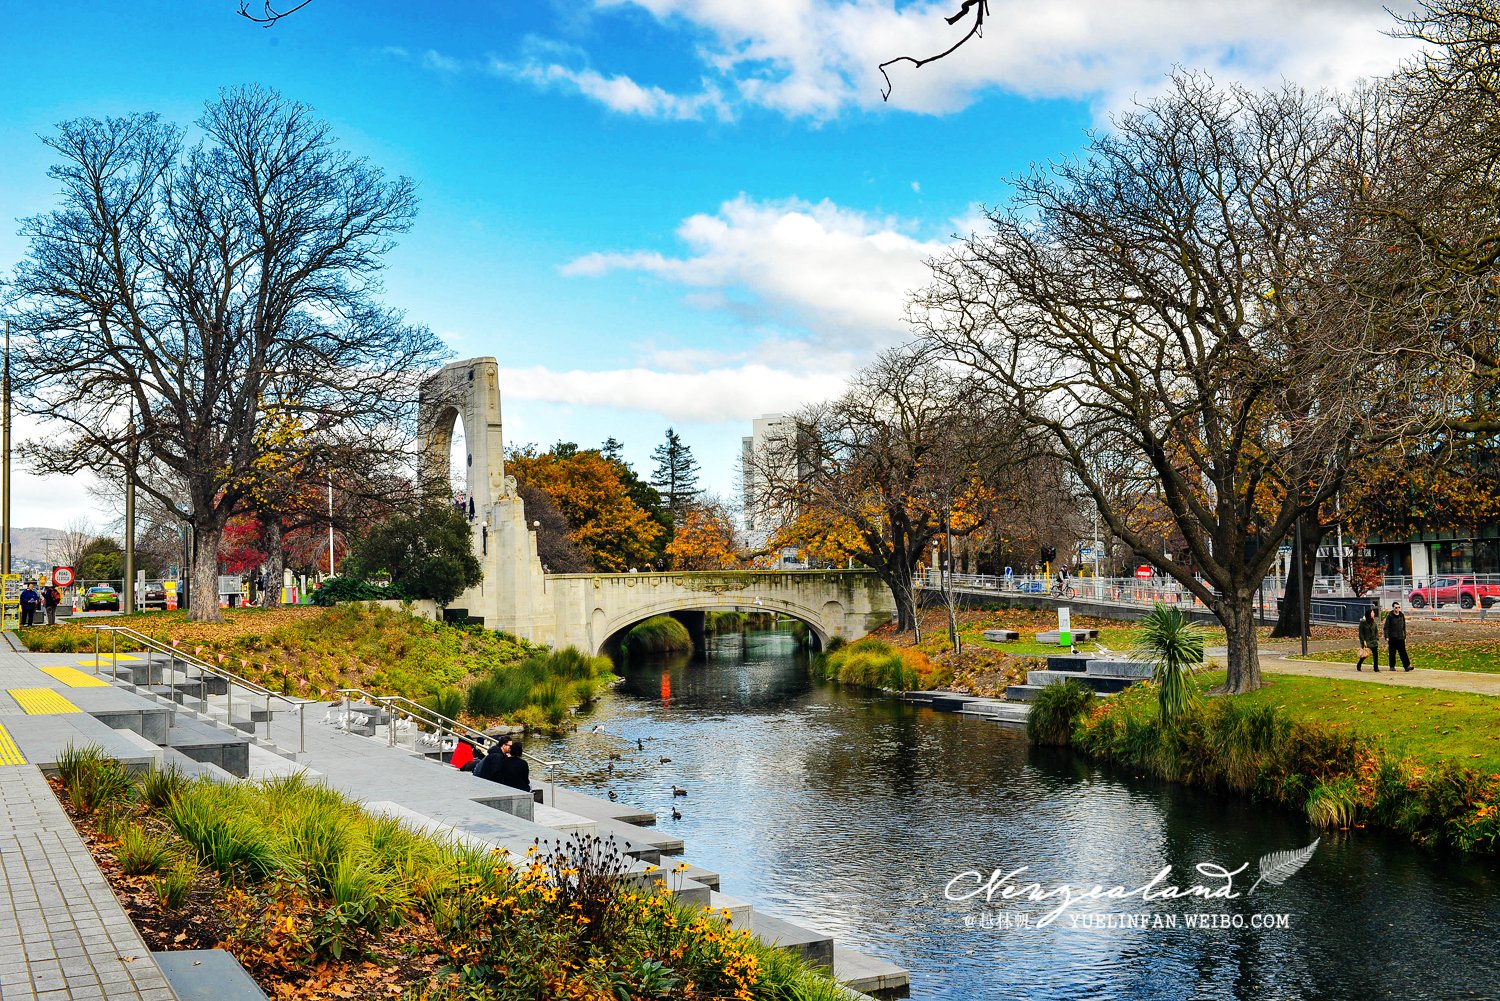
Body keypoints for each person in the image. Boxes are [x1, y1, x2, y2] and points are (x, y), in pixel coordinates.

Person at [1384, 601, 1412, 672]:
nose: (1397, 609)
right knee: (1392, 653)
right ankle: (1392, 666)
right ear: (1393, 608)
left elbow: (1404, 627)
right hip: (1392, 637)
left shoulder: (1401, 615)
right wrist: (1386, 636)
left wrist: (1404, 636)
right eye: (1396, 608)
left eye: (1399, 607)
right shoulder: (1390, 616)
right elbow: (1386, 627)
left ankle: (1406, 666)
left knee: (1403, 652)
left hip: (1400, 637)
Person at [1356, 607, 1380, 672]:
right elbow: (1361, 633)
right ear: (1369, 614)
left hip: (1373, 641)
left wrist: (1376, 638)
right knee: (1365, 654)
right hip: (1367, 641)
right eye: (1372, 612)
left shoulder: (1374, 623)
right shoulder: (1363, 623)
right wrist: (1363, 641)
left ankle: (1376, 668)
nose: (1374, 613)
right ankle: (1359, 664)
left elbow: (1376, 631)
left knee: (1375, 654)